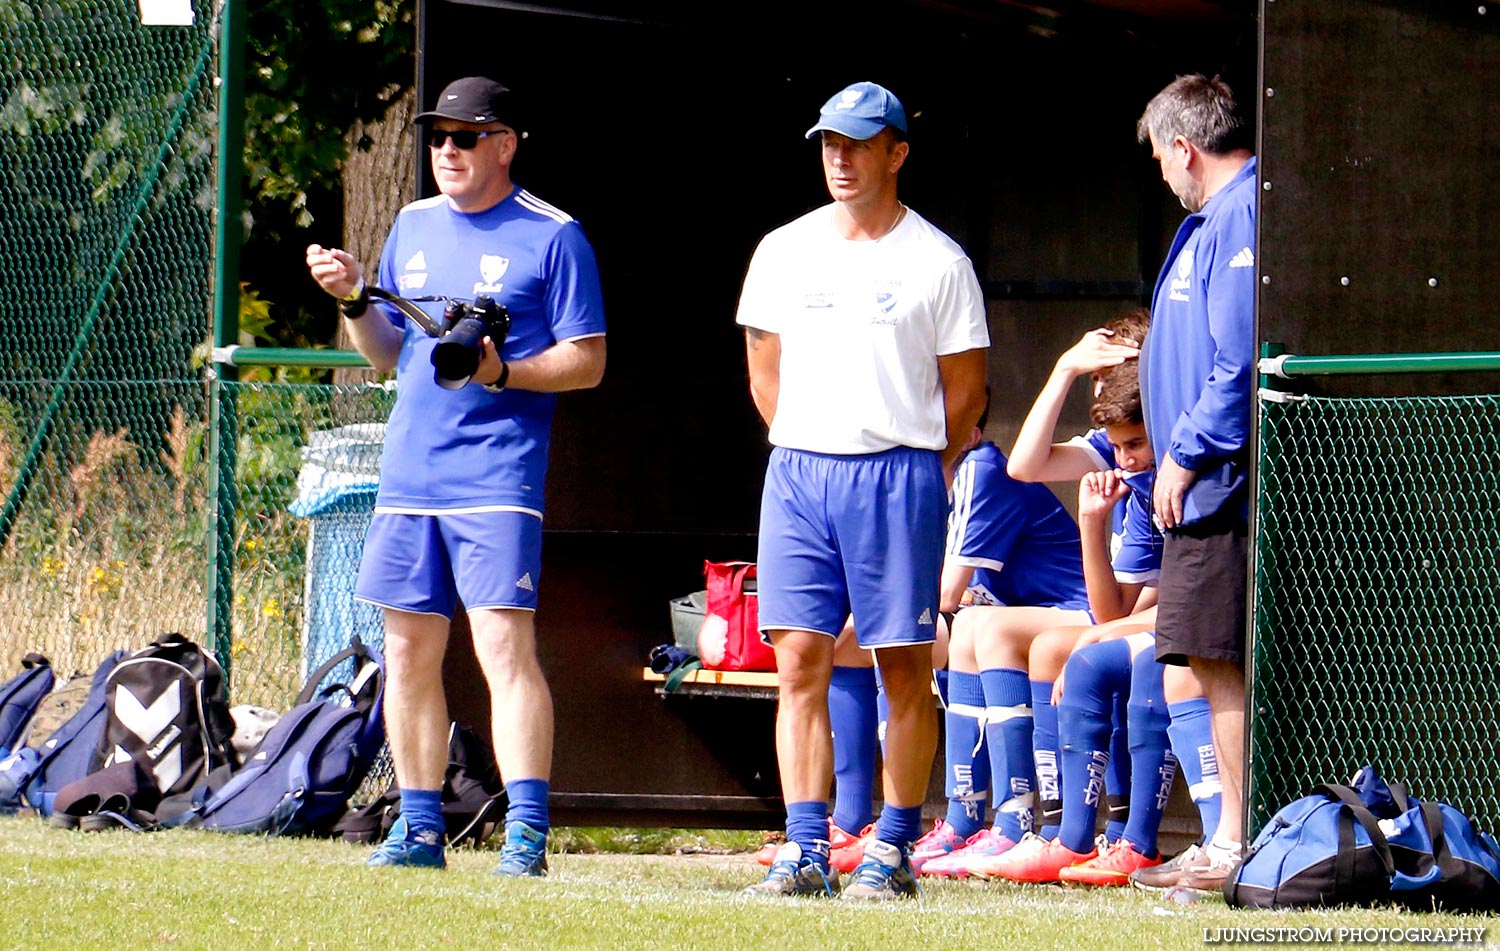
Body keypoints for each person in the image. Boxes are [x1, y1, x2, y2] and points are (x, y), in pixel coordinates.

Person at [304, 76, 607, 877]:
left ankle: (526, 835)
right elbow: (387, 353)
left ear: (505, 145)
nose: (448, 149)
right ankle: (419, 828)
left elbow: (589, 362)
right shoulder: (410, 224)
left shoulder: (555, 234)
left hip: (495, 477)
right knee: (405, 653)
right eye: (438, 136)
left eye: (466, 136)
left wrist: (503, 372)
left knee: (504, 650)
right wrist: (352, 298)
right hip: (409, 476)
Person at [737, 80, 989, 899]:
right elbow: (764, 375)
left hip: (899, 474)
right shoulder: (783, 247)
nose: (839, 159)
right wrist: (817, 438)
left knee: (902, 667)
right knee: (799, 659)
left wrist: (914, 464)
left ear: (897, 152)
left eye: (855, 143)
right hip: (800, 471)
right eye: (827, 144)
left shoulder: (939, 261)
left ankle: (894, 843)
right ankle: (806, 845)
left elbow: (967, 396)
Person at [1135, 72, 1257, 893]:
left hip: (1216, 488)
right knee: (1204, 661)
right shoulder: (1220, 217)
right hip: (1200, 492)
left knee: (1219, 663)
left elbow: (1236, 361)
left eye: (1159, 160)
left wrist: (1183, 452)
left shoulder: (1241, 211)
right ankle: (1226, 834)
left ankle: (1236, 840)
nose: (1164, 176)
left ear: (1185, 147)